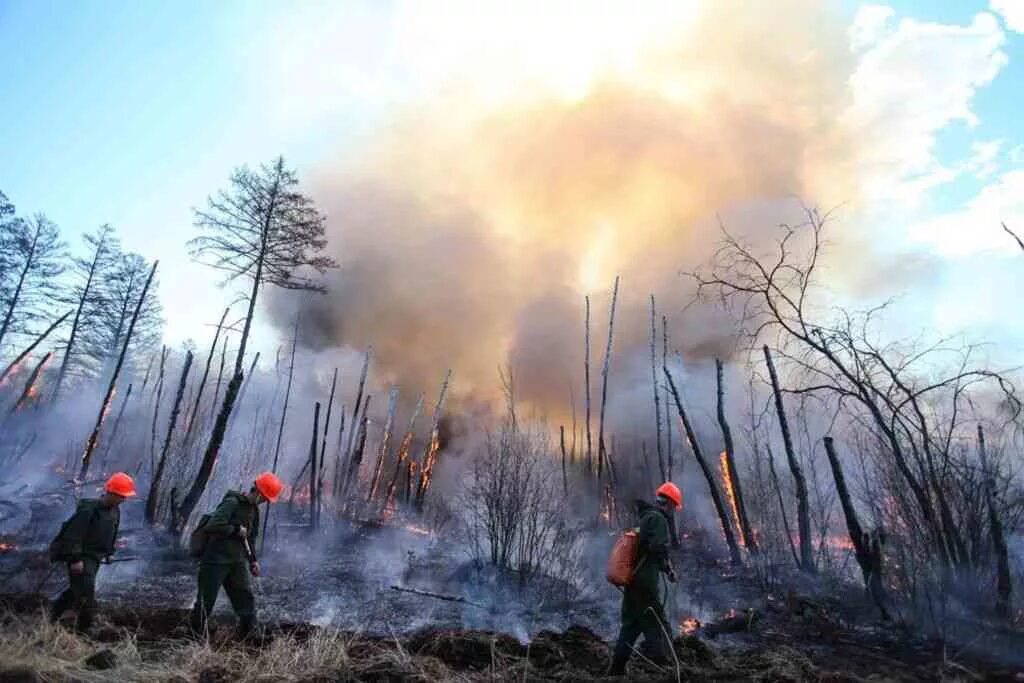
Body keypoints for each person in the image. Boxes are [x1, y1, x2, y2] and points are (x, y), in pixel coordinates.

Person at [189, 472, 283, 638]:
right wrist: (235, 530)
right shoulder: (232, 502)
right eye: (264, 499)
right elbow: (213, 525)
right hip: (215, 560)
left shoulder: (254, 511)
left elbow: (250, 538)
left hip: (237, 561)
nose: (264, 503)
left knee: (244, 597)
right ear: (259, 493)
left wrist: (253, 560)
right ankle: (196, 633)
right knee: (206, 600)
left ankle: (251, 632)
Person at [608, 481, 681, 677]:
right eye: (674, 507)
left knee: (631, 627)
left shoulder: (646, 518)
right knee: (658, 623)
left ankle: (616, 671)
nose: (674, 511)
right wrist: (668, 568)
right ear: (669, 504)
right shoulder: (659, 520)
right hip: (645, 582)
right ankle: (667, 669)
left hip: (633, 582)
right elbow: (657, 547)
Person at [49, 472, 136, 633]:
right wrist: (75, 559)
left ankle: (51, 616)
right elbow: (73, 535)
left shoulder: (115, 511)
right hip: (82, 557)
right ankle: (84, 631)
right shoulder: (88, 510)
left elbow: (112, 532)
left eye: (124, 496)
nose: (123, 500)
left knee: (76, 591)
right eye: (121, 496)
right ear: (111, 493)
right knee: (86, 595)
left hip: (95, 558)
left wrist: (108, 552)